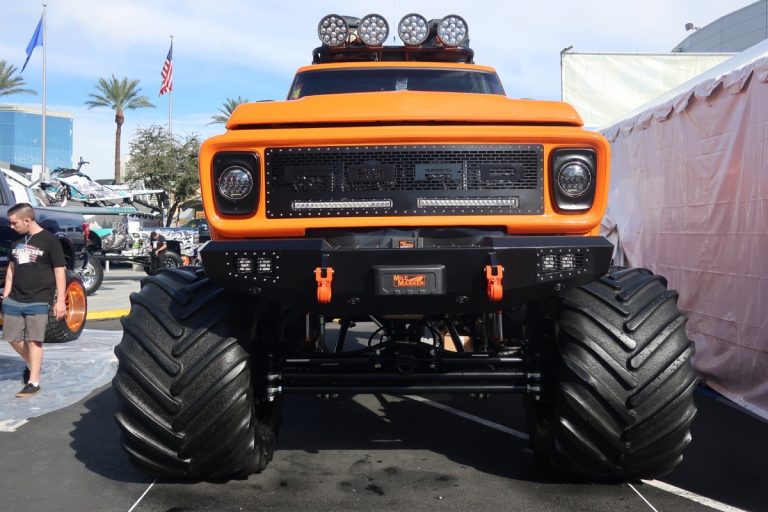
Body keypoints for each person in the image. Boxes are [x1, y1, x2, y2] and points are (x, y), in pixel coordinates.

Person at [2, 203, 67, 398]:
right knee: (12, 338)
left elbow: (59, 271)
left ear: (27, 220)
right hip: (15, 297)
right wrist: (6, 294)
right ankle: (33, 364)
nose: (11, 226)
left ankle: (33, 382)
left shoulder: (50, 241)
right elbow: (11, 269)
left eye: (14, 223)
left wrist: (60, 301)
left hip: (39, 298)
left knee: (34, 340)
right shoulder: (17, 240)